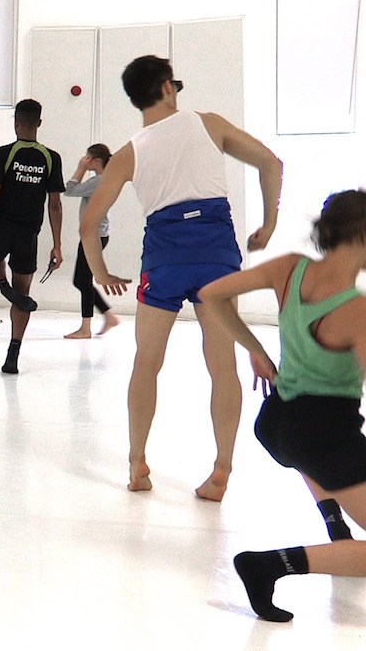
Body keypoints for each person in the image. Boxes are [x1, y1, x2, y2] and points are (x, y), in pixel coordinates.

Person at [79, 55, 283, 500]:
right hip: (217, 256)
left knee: (146, 363)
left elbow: (88, 223)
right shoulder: (208, 124)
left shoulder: (128, 152)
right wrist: (268, 225)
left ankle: (137, 463)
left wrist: (100, 273)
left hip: (165, 258)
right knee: (222, 367)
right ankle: (221, 472)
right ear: (168, 88)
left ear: (137, 99)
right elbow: (271, 163)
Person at [197, 190, 366, 622]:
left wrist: (255, 349)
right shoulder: (357, 310)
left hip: (277, 421)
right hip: (325, 434)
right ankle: (270, 565)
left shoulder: (290, 268)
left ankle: (334, 520)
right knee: (325, 452)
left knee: (312, 452)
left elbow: (212, 294)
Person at [0, 99, 64, 374]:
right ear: (39, 123)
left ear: (16, 122)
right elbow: (54, 204)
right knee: (23, 293)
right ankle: (13, 352)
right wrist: (57, 245)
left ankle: (2, 285)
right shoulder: (51, 157)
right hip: (29, 233)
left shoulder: (3, 153)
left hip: (0, 227)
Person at [62, 143, 120, 339]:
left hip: (93, 236)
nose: (85, 160)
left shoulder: (99, 181)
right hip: (95, 235)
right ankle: (109, 316)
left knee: (83, 280)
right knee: (81, 280)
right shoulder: (103, 179)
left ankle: (86, 328)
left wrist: (79, 168)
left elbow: (69, 190)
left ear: (95, 160)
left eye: (87, 158)